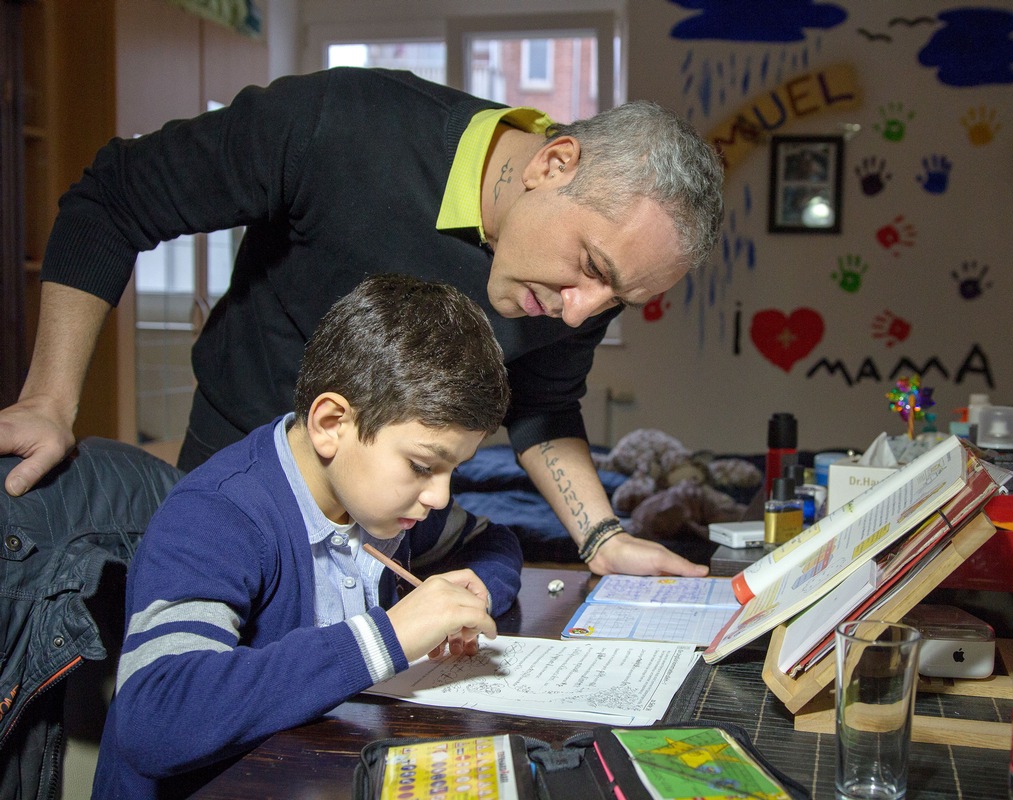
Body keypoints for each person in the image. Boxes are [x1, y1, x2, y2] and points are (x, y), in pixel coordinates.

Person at [0, 67, 724, 578]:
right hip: (239, 466)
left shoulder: (579, 295)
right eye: (593, 267)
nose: (584, 310)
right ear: (553, 163)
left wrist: (599, 537)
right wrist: (50, 401)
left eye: (619, 298)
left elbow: (541, 401)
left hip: (389, 511)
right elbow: (114, 199)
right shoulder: (342, 125)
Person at [90, 274, 521, 798]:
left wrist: (472, 588)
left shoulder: (385, 503)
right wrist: (387, 637)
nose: (438, 496)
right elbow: (155, 717)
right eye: (422, 464)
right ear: (331, 423)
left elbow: (496, 542)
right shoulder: (218, 515)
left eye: (455, 469)